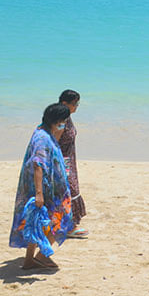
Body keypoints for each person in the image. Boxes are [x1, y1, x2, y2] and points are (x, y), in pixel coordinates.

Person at [9, 103, 74, 270]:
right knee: (63, 219)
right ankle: (42, 256)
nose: (64, 124)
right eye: (63, 121)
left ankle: (29, 260)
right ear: (57, 120)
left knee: (36, 221)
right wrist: (39, 193)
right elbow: (38, 164)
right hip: (46, 189)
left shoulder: (43, 131)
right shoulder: (42, 138)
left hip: (46, 187)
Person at [57, 90, 88, 238]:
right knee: (70, 190)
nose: (77, 106)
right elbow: (54, 139)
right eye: (75, 104)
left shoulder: (66, 117)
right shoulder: (60, 119)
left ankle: (67, 224)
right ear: (65, 104)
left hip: (69, 158)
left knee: (69, 189)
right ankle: (70, 227)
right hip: (63, 160)